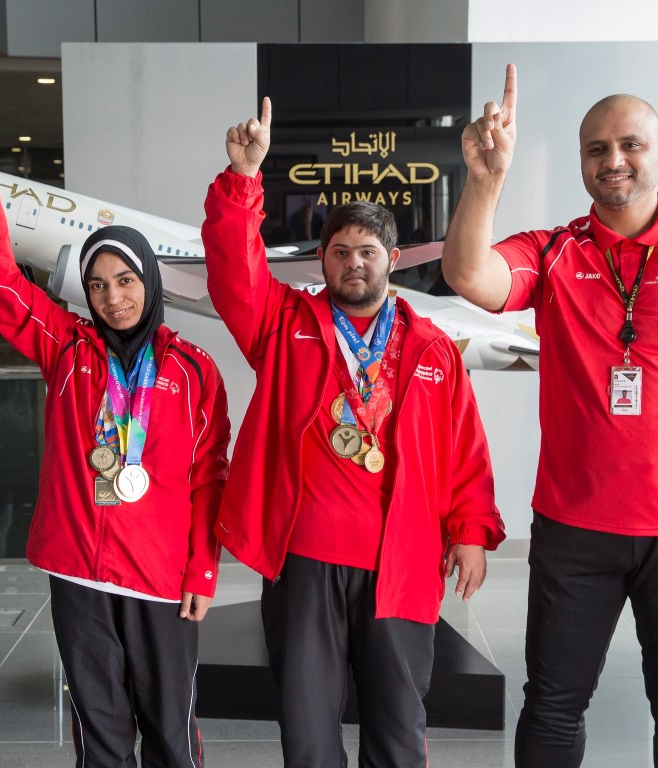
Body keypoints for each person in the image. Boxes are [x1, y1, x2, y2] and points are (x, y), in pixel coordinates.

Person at [440, 65, 658, 767]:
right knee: (553, 703)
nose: (613, 161)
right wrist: (485, 179)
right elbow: (469, 277)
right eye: (596, 149)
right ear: (581, 162)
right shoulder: (552, 250)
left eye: (629, 144)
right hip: (576, 529)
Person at [202, 97, 505, 768]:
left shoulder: (431, 350)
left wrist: (470, 531)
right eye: (339, 252)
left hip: (401, 560)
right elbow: (232, 272)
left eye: (366, 251)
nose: (353, 263)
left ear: (392, 258)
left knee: (398, 728)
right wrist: (242, 182)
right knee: (307, 731)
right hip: (305, 557)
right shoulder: (282, 327)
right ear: (322, 260)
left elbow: (464, 454)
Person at [0, 106, 230, 768]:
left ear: (149, 283)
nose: (112, 298)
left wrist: (202, 568)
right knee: (99, 730)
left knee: (170, 731)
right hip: (77, 570)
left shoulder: (193, 371)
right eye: (99, 285)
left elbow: (209, 477)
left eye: (126, 281)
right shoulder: (66, 348)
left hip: (161, 578)